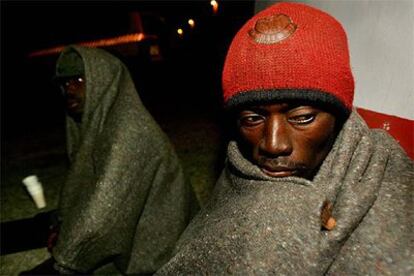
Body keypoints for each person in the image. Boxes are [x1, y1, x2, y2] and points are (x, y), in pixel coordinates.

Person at [156, 2, 413, 275]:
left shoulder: (389, 180)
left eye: (302, 118)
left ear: (339, 114)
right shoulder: (237, 171)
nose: (274, 144)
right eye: (252, 119)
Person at [21, 45, 198, 274]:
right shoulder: (96, 126)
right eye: (64, 83)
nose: (70, 89)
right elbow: (84, 192)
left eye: (79, 80)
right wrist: (61, 224)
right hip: (127, 248)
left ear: (103, 81)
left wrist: (65, 259)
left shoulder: (131, 133)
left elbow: (103, 216)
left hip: (158, 261)